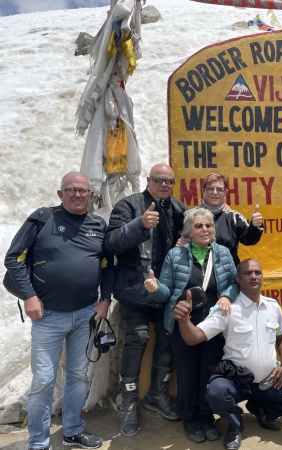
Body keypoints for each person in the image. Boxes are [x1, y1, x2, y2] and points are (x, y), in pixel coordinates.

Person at [4, 172, 113, 450]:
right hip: (48, 316)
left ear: (91, 195)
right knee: (43, 380)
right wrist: (29, 296)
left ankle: (73, 431)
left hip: (85, 314)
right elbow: (13, 259)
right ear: (60, 194)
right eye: (71, 190)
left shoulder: (97, 224)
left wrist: (105, 299)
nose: (77, 195)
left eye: (83, 191)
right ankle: (38, 442)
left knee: (77, 375)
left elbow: (106, 265)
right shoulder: (42, 219)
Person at [172, 259, 282, 450]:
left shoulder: (273, 306)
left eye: (257, 272)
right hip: (236, 381)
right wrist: (183, 320)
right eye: (247, 273)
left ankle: (261, 409)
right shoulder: (227, 309)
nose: (253, 276)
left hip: (267, 381)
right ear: (238, 278)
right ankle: (235, 423)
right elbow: (193, 337)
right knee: (215, 393)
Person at [144, 207, 239, 443]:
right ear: (189, 230)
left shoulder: (224, 254)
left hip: (214, 325)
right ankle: (190, 418)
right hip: (183, 323)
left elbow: (234, 284)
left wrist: (227, 296)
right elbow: (166, 291)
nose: (204, 229)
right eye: (198, 226)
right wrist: (155, 289)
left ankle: (206, 416)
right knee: (186, 373)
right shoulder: (175, 256)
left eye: (208, 225)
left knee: (209, 371)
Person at [105, 163, 187, 436]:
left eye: (169, 181)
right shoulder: (128, 205)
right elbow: (111, 243)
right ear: (149, 180)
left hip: (165, 290)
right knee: (138, 338)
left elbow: (190, 236)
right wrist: (138, 225)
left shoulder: (177, 207)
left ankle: (157, 394)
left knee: (167, 338)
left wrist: (183, 243)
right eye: (159, 179)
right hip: (135, 291)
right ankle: (128, 401)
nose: (164, 184)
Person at [200, 172, 264, 265]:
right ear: (203, 191)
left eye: (219, 189)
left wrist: (255, 226)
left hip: (228, 273)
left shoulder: (234, 217)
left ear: (225, 193)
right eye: (210, 189)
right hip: (200, 273)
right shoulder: (190, 216)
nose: (215, 192)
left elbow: (248, 240)